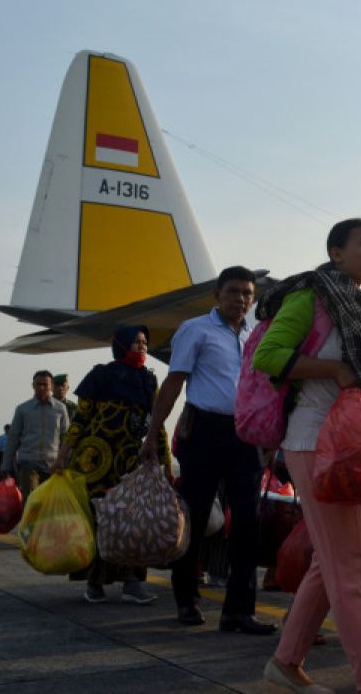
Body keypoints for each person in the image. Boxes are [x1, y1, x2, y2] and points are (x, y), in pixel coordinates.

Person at [252, 218, 361, 694]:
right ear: (336, 253)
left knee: (331, 563)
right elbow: (269, 355)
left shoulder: (360, 308)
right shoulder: (311, 298)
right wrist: (333, 368)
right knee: (350, 566)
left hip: (346, 447)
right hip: (314, 443)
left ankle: (285, 663)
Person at [141, 265, 275, 634]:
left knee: (248, 523)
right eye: (233, 292)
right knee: (195, 518)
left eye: (248, 294)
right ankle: (186, 600)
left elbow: (264, 388)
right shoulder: (195, 329)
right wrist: (153, 433)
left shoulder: (255, 336)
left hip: (245, 434)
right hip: (203, 430)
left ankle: (239, 611)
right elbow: (174, 381)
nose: (241, 299)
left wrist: (270, 436)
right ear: (217, 294)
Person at [52, 326, 170, 605]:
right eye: (136, 342)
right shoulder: (101, 374)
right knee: (98, 520)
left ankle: (132, 582)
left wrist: (166, 462)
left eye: (144, 342)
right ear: (121, 345)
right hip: (95, 459)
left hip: (131, 460)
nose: (142, 346)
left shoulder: (149, 380)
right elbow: (81, 419)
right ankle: (94, 582)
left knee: (133, 520)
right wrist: (63, 454)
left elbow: (157, 422)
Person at [5, 370, 70, 503]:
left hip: (52, 464)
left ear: (51, 386)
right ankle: (28, 524)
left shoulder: (60, 409)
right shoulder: (23, 409)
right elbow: (13, 438)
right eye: (38, 384)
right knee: (31, 500)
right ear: (32, 385)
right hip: (29, 462)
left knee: (49, 503)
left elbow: (67, 438)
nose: (41, 387)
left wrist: (66, 462)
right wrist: (6, 466)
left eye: (45, 384)